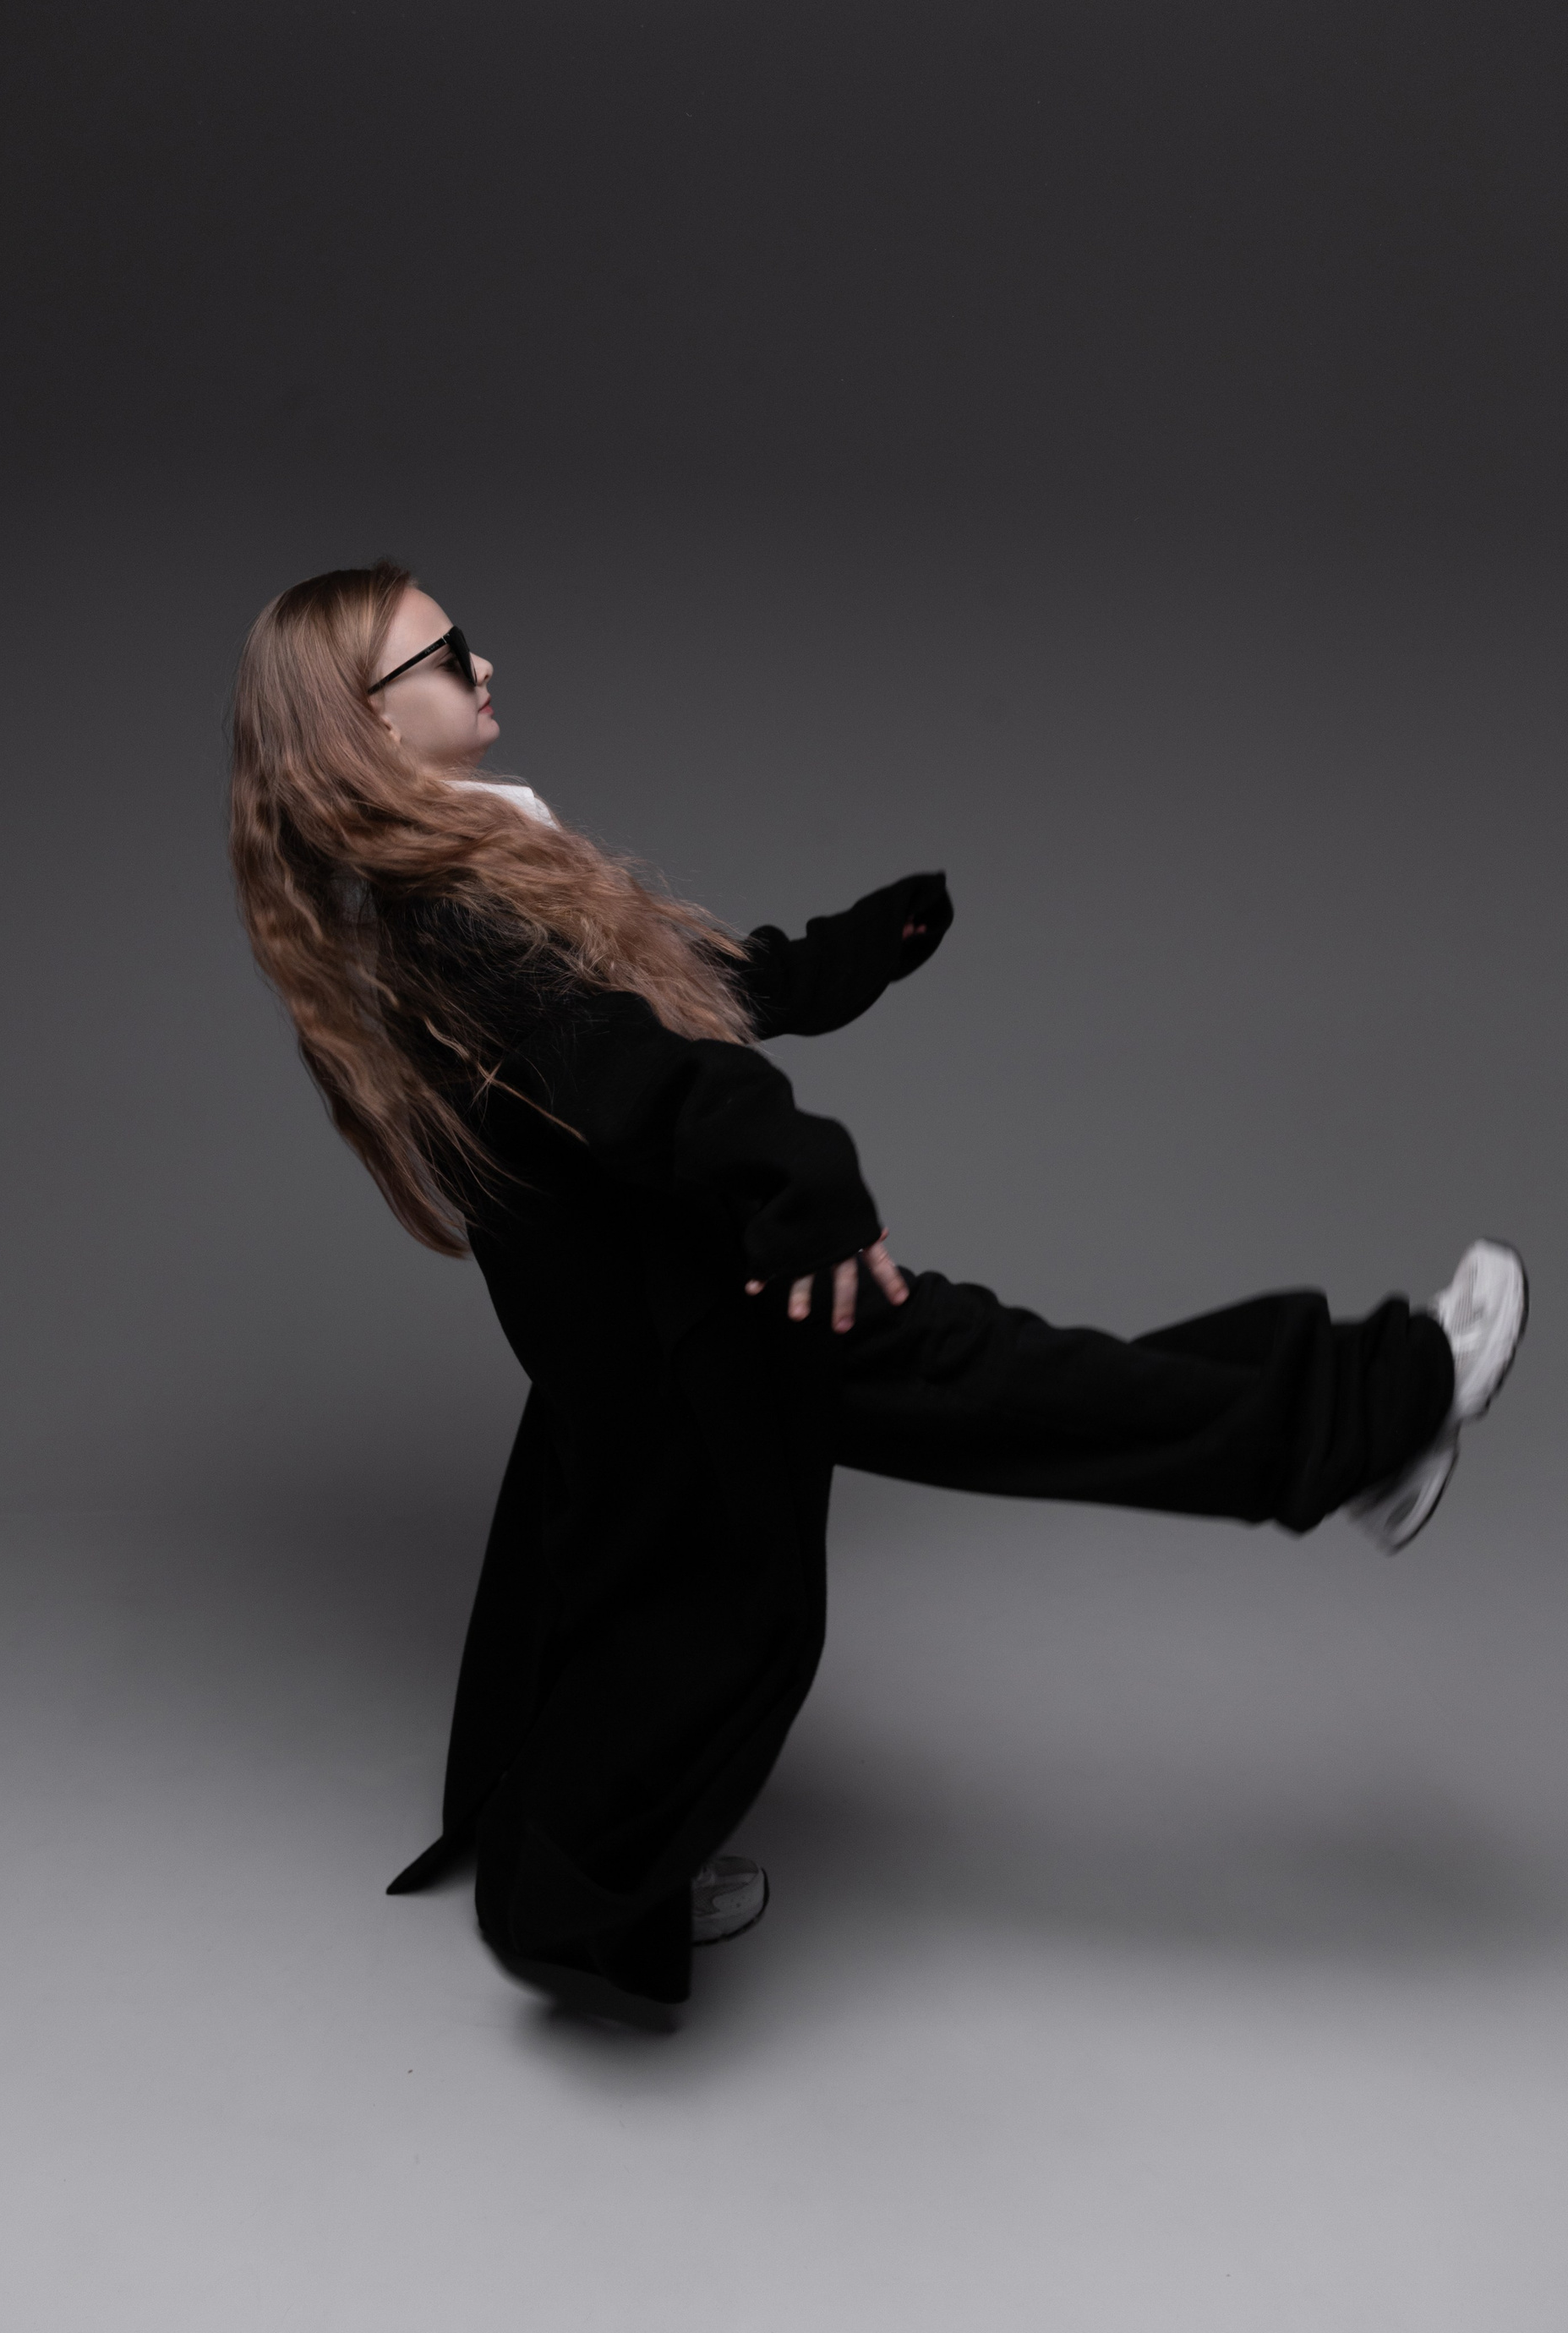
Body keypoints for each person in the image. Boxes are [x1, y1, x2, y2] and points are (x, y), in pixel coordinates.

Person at [228, 560, 1527, 2028]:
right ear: (367, 723)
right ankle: (1381, 1415)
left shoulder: (466, 875)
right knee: (954, 1437)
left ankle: (1364, 1424)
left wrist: (850, 955)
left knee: (681, 1575)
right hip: (717, 1316)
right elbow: (648, 1077)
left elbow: (679, 998)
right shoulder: (454, 918)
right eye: (447, 652)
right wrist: (806, 1186)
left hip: (674, 1318)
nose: (483, 665)